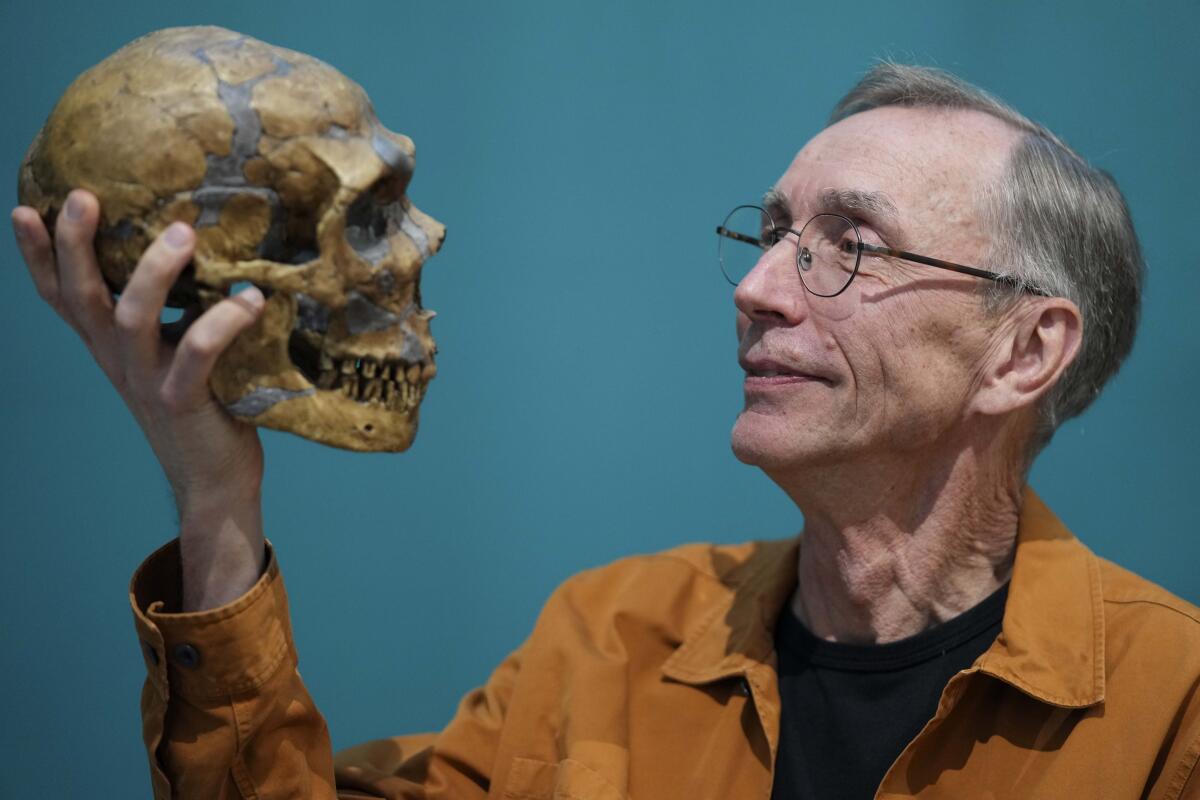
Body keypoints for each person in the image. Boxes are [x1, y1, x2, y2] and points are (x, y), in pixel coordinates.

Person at [11, 62, 1200, 800]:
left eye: (853, 245)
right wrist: (216, 504)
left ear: (1025, 352)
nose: (759, 287)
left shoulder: (1171, 708)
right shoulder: (606, 640)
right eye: (774, 232)